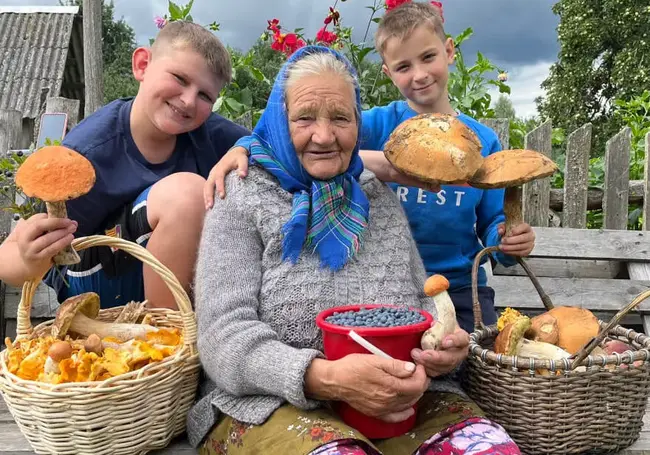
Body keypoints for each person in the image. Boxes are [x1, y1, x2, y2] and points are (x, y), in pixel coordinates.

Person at [188, 45, 520, 455]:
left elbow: (424, 300)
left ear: (357, 125)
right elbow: (223, 336)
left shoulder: (375, 195)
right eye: (305, 118)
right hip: (270, 404)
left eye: (340, 118)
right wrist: (325, 377)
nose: (324, 135)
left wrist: (440, 349)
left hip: (402, 400)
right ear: (279, 119)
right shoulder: (240, 194)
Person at [202, 2, 535, 333]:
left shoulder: (482, 142)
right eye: (403, 66)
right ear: (388, 73)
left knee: (475, 365)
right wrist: (243, 147)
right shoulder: (379, 125)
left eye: (428, 57)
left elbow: (493, 222)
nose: (418, 74)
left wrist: (506, 241)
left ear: (449, 51)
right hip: (393, 286)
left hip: (461, 286)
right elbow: (307, 140)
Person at [0, 21, 249, 310]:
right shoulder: (86, 151)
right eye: (180, 79)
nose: (189, 100)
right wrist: (29, 258)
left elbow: (273, 144)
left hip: (174, 278)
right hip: (92, 285)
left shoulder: (212, 135)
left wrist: (245, 149)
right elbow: (8, 255)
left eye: (205, 96)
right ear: (142, 65)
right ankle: (168, 339)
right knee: (187, 195)